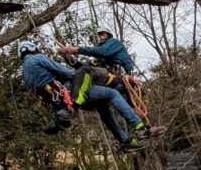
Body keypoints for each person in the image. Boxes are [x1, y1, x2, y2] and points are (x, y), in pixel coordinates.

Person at [18, 41, 150, 153]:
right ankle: (139, 127)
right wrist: (79, 74)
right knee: (112, 93)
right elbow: (64, 71)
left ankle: (125, 141)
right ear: (33, 49)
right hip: (71, 92)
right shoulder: (38, 58)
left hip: (61, 102)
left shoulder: (24, 73)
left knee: (102, 106)